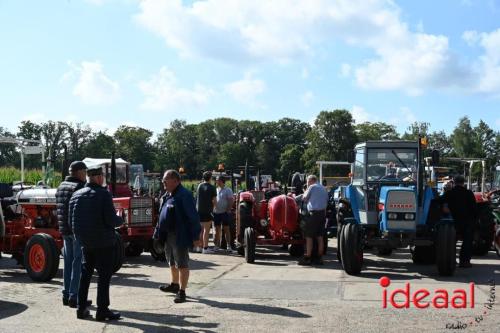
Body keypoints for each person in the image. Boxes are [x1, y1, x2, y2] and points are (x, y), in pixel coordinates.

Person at [69, 165, 123, 321]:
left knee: (85, 275)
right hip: (104, 242)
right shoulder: (104, 194)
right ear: (99, 177)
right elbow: (112, 220)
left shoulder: (76, 195)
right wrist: (122, 219)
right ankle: (102, 310)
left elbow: (70, 221)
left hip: (85, 242)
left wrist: (81, 236)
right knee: (104, 277)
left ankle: (81, 308)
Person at [154, 170, 201, 303]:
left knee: (182, 263)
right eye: (163, 179)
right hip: (167, 235)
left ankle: (182, 291)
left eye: (166, 179)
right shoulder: (167, 195)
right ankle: (174, 285)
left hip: (180, 235)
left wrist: (196, 236)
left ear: (175, 181)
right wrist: (157, 234)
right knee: (171, 261)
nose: (163, 182)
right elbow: (161, 216)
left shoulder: (184, 195)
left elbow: (193, 217)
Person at [55, 161, 89, 308]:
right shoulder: (79, 187)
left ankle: (66, 294)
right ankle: (74, 296)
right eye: (85, 172)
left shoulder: (61, 186)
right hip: (76, 231)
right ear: (79, 172)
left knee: (68, 262)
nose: (86, 175)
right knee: (77, 263)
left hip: (64, 230)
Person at [439, 175, 478, 268]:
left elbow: (439, 201)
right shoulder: (469, 193)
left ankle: (450, 259)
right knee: (467, 242)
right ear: (463, 182)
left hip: (453, 222)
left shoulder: (450, 193)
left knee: (449, 241)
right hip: (466, 222)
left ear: (454, 182)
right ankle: (464, 262)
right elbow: (474, 208)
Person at [299, 175, 328, 266]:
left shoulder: (312, 187)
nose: (307, 184)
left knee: (309, 236)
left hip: (313, 214)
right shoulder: (323, 188)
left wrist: (305, 192)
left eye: (307, 182)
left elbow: (304, 198)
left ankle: (308, 257)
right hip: (322, 214)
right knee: (319, 237)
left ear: (311, 181)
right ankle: (319, 258)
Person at [196, 171, 217, 254]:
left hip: (198, 210)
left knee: (200, 230)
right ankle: (205, 248)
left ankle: (199, 247)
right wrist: (214, 208)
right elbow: (215, 201)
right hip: (207, 211)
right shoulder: (212, 187)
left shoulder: (199, 186)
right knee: (206, 230)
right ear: (210, 178)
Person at [213, 175, 235, 253]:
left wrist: (228, 210)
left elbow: (231, 200)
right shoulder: (216, 190)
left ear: (222, 181)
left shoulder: (228, 190)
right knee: (217, 229)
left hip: (225, 213)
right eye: (216, 180)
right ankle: (216, 246)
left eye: (217, 180)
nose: (216, 181)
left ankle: (229, 246)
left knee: (226, 229)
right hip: (216, 213)